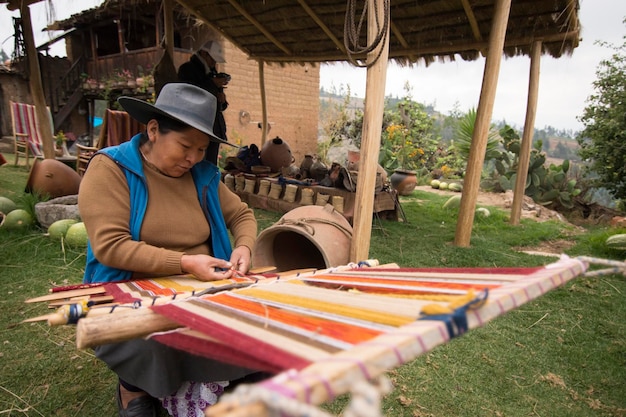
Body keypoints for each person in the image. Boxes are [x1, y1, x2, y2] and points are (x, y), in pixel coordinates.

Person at [78, 83, 264, 417]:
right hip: (129, 291)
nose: (193, 157)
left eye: (201, 148)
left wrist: (244, 247)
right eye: (184, 145)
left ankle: (221, 386)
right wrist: (184, 262)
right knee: (155, 341)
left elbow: (242, 214)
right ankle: (134, 388)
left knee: (262, 329)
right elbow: (111, 246)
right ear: (153, 130)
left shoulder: (203, 175)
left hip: (202, 286)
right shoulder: (111, 169)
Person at [177, 40, 230, 165]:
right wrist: (212, 84)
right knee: (196, 163)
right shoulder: (187, 70)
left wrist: (221, 100)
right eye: (212, 59)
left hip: (213, 127)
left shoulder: (212, 74)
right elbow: (190, 94)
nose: (214, 63)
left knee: (210, 165)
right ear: (203, 54)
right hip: (196, 125)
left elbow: (220, 106)